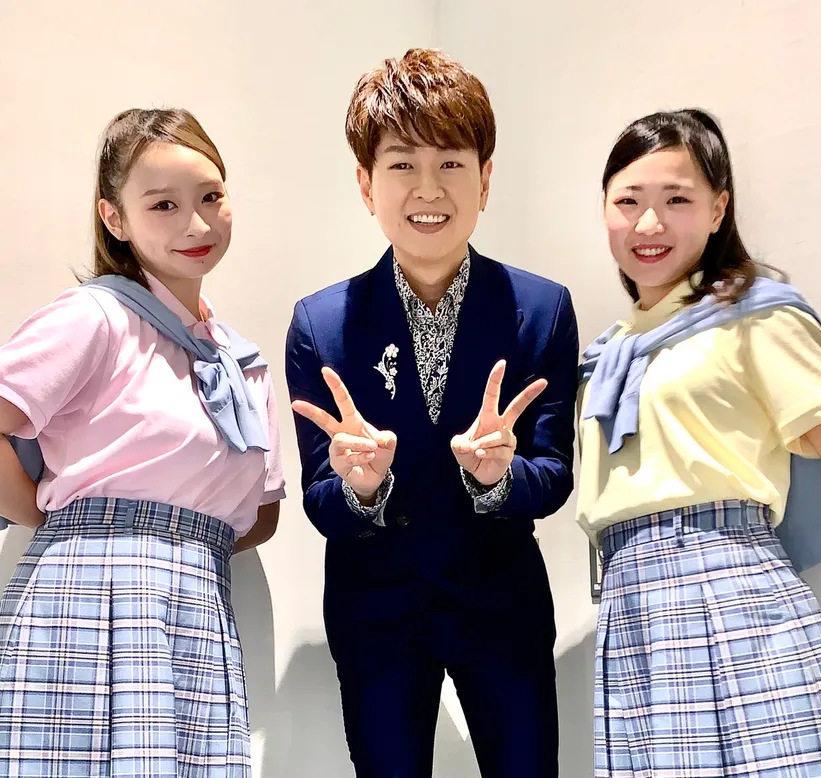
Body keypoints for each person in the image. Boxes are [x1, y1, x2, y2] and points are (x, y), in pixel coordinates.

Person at [285, 48, 579, 778]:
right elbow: (320, 499)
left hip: (502, 608)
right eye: (401, 165)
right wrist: (361, 488)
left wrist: (499, 479)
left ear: (485, 178)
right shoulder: (322, 323)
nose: (428, 188)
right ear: (366, 184)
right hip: (376, 615)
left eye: (450, 163)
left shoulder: (540, 308)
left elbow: (554, 473)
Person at [0, 108, 285, 777]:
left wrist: (181, 541)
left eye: (210, 197)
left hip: (198, 608)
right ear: (115, 218)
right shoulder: (95, 317)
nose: (197, 225)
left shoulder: (242, 363)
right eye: (163, 205)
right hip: (87, 600)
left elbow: (261, 516)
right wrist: (66, 517)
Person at [578, 108, 821, 777]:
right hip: (629, 612)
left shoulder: (757, 315)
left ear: (718, 208)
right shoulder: (606, 355)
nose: (649, 224)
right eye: (628, 201)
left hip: (734, 599)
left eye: (677, 200)